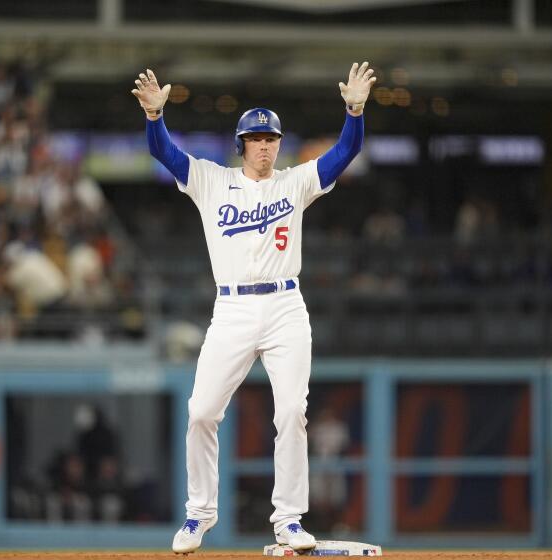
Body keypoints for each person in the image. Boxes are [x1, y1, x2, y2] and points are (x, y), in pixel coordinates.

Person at [132, 62, 375, 553]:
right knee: (201, 411)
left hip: (286, 305)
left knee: (291, 411)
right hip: (233, 310)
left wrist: (355, 110)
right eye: (257, 138)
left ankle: (288, 521)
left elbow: (347, 150)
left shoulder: (296, 182)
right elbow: (163, 152)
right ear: (241, 144)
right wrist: (155, 116)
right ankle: (198, 516)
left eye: (272, 139)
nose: (265, 146)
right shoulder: (210, 180)